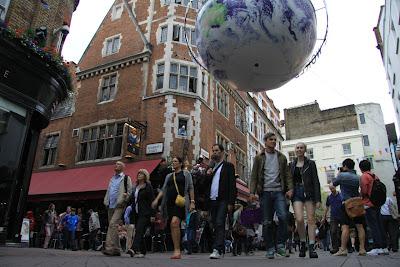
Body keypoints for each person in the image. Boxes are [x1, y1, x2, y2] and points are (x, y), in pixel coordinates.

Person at [249, 132, 293, 259]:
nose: (274, 141)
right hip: (265, 193)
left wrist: (290, 189)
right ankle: (270, 248)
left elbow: (287, 175)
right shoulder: (259, 158)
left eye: (275, 140)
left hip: (279, 191)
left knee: (283, 217)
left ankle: (280, 245)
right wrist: (252, 192)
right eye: (271, 139)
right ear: (265, 141)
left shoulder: (282, 158)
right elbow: (254, 177)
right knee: (267, 222)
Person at [152, 156, 195, 259]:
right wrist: (157, 200)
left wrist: (192, 202)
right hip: (169, 203)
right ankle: (177, 249)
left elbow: (190, 187)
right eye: (173, 161)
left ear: (180, 164)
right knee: (173, 225)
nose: (173, 163)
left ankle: (177, 250)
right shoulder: (169, 176)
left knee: (174, 222)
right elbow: (163, 189)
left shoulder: (186, 174)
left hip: (180, 202)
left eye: (176, 161)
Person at [204, 144, 237, 259]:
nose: (214, 153)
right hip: (212, 200)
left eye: (217, 150)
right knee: (214, 224)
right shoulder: (210, 167)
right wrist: (207, 175)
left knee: (219, 222)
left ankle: (217, 249)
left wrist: (231, 202)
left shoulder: (228, 166)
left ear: (222, 152)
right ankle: (220, 248)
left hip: (223, 199)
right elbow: (204, 186)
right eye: (213, 151)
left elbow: (232, 185)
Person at [289, 142, 321, 258]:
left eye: (301, 147)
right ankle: (303, 243)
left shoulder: (311, 164)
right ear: (295, 150)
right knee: (299, 218)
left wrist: (318, 199)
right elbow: (289, 181)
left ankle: (311, 247)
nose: (299, 149)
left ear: (305, 150)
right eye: (297, 148)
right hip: (296, 192)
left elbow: (316, 181)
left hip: (309, 192)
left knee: (311, 219)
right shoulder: (291, 165)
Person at [332, 158, 366, 256]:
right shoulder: (358, 177)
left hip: (346, 204)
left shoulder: (341, 175)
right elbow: (362, 191)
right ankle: (362, 249)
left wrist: (339, 174)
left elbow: (332, 185)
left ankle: (343, 249)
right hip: (357, 203)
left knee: (345, 227)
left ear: (345, 166)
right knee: (360, 226)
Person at [102, 161, 133, 256]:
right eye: (115, 164)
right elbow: (109, 191)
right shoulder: (112, 178)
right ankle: (116, 249)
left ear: (123, 167)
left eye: (119, 164)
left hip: (119, 205)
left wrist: (125, 198)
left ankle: (109, 247)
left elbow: (130, 191)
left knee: (112, 224)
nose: (116, 165)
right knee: (113, 226)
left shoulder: (126, 178)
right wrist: (106, 201)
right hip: (110, 205)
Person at [359, 159, 388, 256]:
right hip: (377, 203)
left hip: (368, 204)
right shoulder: (375, 176)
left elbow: (364, 191)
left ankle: (377, 247)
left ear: (361, 168)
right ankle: (384, 247)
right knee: (379, 225)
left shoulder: (364, 176)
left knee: (373, 226)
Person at [127, 169, 155, 258]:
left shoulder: (148, 186)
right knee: (140, 231)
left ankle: (133, 249)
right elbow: (132, 199)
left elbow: (152, 200)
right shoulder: (135, 186)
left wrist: (153, 214)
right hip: (136, 213)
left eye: (142, 174)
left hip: (145, 212)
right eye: (138, 173)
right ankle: (143, 251)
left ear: (145, 176)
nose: (139, 175)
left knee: (139, 230)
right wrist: (127, 197)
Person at [324, 184, 343, 254]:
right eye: (330, 189)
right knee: (333, 231)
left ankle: (347, 246)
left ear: (335, 187)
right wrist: (324, 217)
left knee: (344, 231)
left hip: (342, 215)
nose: (332, 190)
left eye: (333, 188)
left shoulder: (341, 195)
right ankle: (335, 248)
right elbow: (327, 207)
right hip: (333, 216)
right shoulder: (329, 197)